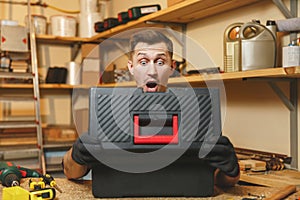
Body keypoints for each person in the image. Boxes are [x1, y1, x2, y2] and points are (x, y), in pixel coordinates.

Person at [62, 29, 240, 189]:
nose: (152, 71)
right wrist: (77, 155)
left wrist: (230, 171)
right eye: (143, 61)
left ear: (172, 67)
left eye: (160, 62)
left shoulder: (199, 110)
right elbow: (72, 173)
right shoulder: (108, 111)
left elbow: (219, 180)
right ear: (131, 67)